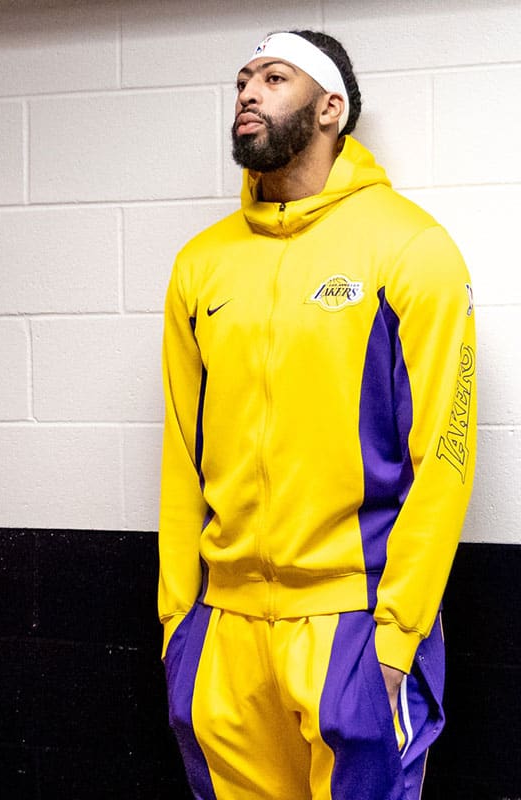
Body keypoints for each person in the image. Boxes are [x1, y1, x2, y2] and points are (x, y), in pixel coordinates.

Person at [158, 30, 476, 800]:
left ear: (331, 108)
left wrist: (397, 638)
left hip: (354, 627)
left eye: (273, 77)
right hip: (223, 631)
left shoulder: (410, 248)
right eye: (241, 80)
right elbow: (180, 452)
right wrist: (178, 625)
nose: (247, 93)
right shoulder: (201, 264)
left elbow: (448, 453)